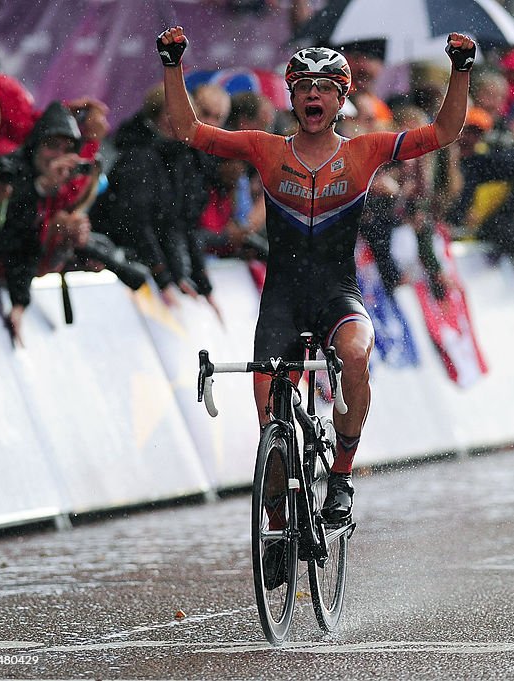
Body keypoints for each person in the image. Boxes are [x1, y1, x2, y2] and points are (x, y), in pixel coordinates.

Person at [158, 25, 475, 522]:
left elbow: (445, 133)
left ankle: (343, 477)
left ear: (340, 97)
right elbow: (189, 131)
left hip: (337, 293)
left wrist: (460, 72)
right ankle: (280, 522)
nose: (313, 94)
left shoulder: (363, 151)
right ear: (291, 94)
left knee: (354, 353)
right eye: (304, 85)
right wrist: (172, 66)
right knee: (270, 428)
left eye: (325, 87)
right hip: (281, 301)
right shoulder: (266, 149)